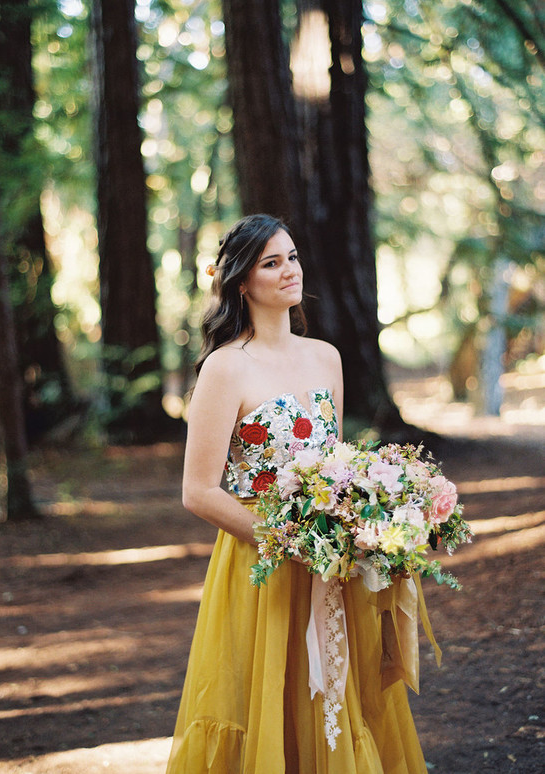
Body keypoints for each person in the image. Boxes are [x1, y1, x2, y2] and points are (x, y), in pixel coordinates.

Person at [166, 214, 428, 773]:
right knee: (265, 704)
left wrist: (361, 520)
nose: (290, 271)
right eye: (271, 262)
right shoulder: (225, 368)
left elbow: (332, 464)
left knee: (336, 701)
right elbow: (197, 491)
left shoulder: (325, 357)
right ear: (241, 282)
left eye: (292, 257)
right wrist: (289, 540)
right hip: (260, 561)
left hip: (332, 565)